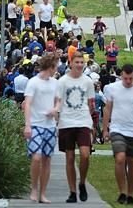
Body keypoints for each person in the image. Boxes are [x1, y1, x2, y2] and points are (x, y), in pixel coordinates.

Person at [102, 64, 133, 206]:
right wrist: (105, 129)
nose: (128, 81)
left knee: (132, 163)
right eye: (125, 78)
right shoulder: (113, 88)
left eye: (130, 78)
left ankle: (130, 193)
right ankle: (122, 191)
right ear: (121, 76)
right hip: (117, 129)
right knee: (120, 158)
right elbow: (107, 109)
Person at [55, 54, 96, 203]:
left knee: (85, 154)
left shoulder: (88, 81)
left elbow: (92, 103)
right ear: (70, 63)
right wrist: (57, 112)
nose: (79, 65)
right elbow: (58, 100)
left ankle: (82, 182)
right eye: (76, 62)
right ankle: (72, 191)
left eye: (81, 62)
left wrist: (90, 120)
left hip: (83, 121)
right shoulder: (62, 81)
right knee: (70, 157)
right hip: (66, 121)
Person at [23, 54, 58, 204]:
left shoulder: (55, 83)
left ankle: (43, 193)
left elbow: (59, 101)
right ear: (50, 67)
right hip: (36, 124)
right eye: (55, 67)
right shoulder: (33, 82)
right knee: (36, 158)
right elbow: (27, 104)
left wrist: (55, 109)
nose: (56, 70)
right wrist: (27, 125)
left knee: (47, 159)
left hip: (50, 125)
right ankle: (34, 188)